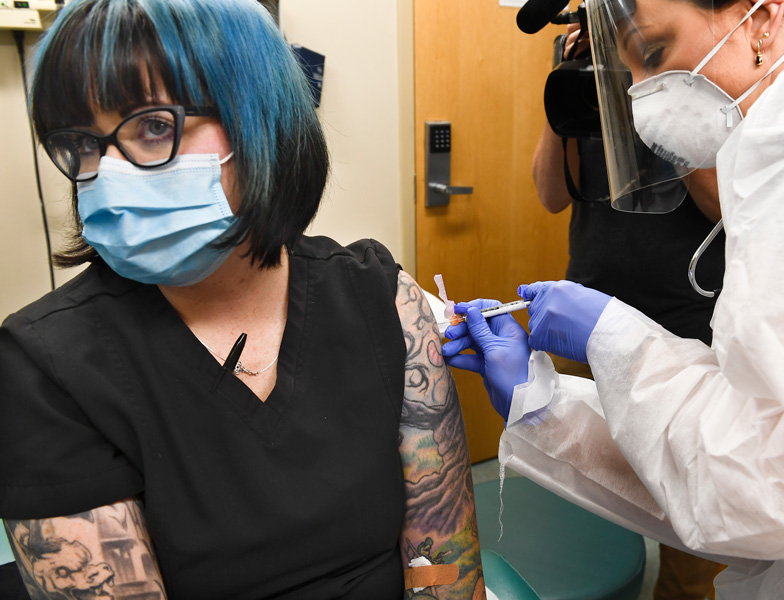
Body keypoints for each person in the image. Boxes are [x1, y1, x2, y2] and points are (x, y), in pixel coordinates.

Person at [0, 1, 484, 599]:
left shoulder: (378, 296)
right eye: (85, 144)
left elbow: (443, 568)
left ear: (260, 120)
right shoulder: (47, 366)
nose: (111, 174)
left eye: (154, 126)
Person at [444, 0, 784, 598]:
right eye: (625, 71)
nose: (638, 102)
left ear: (763, 16)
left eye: (655, 53)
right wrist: (544, 408)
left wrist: (614, 339)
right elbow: (729, 478)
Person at [534, 21, 725, 599]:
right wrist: (564, 87)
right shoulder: (590, 86)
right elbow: (550, 192)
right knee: (583, 500)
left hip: (683, 333)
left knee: (693, 536)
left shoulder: (693, 90)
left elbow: (724, 203)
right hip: (588, 323)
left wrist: (658, 101)